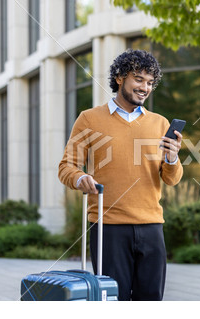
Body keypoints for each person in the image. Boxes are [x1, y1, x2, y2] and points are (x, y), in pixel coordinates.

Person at [58, 49, 183, 301]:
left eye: (150, 83)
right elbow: (66, 167)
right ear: (120, 78)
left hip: (151, 226)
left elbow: (171, 178)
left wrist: (172, 158)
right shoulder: (89, 119)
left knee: (150, 301)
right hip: (108, 228)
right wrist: (81, 179)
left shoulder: (159, 123)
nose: (145, 87)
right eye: (138, 79)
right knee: (113, 301)